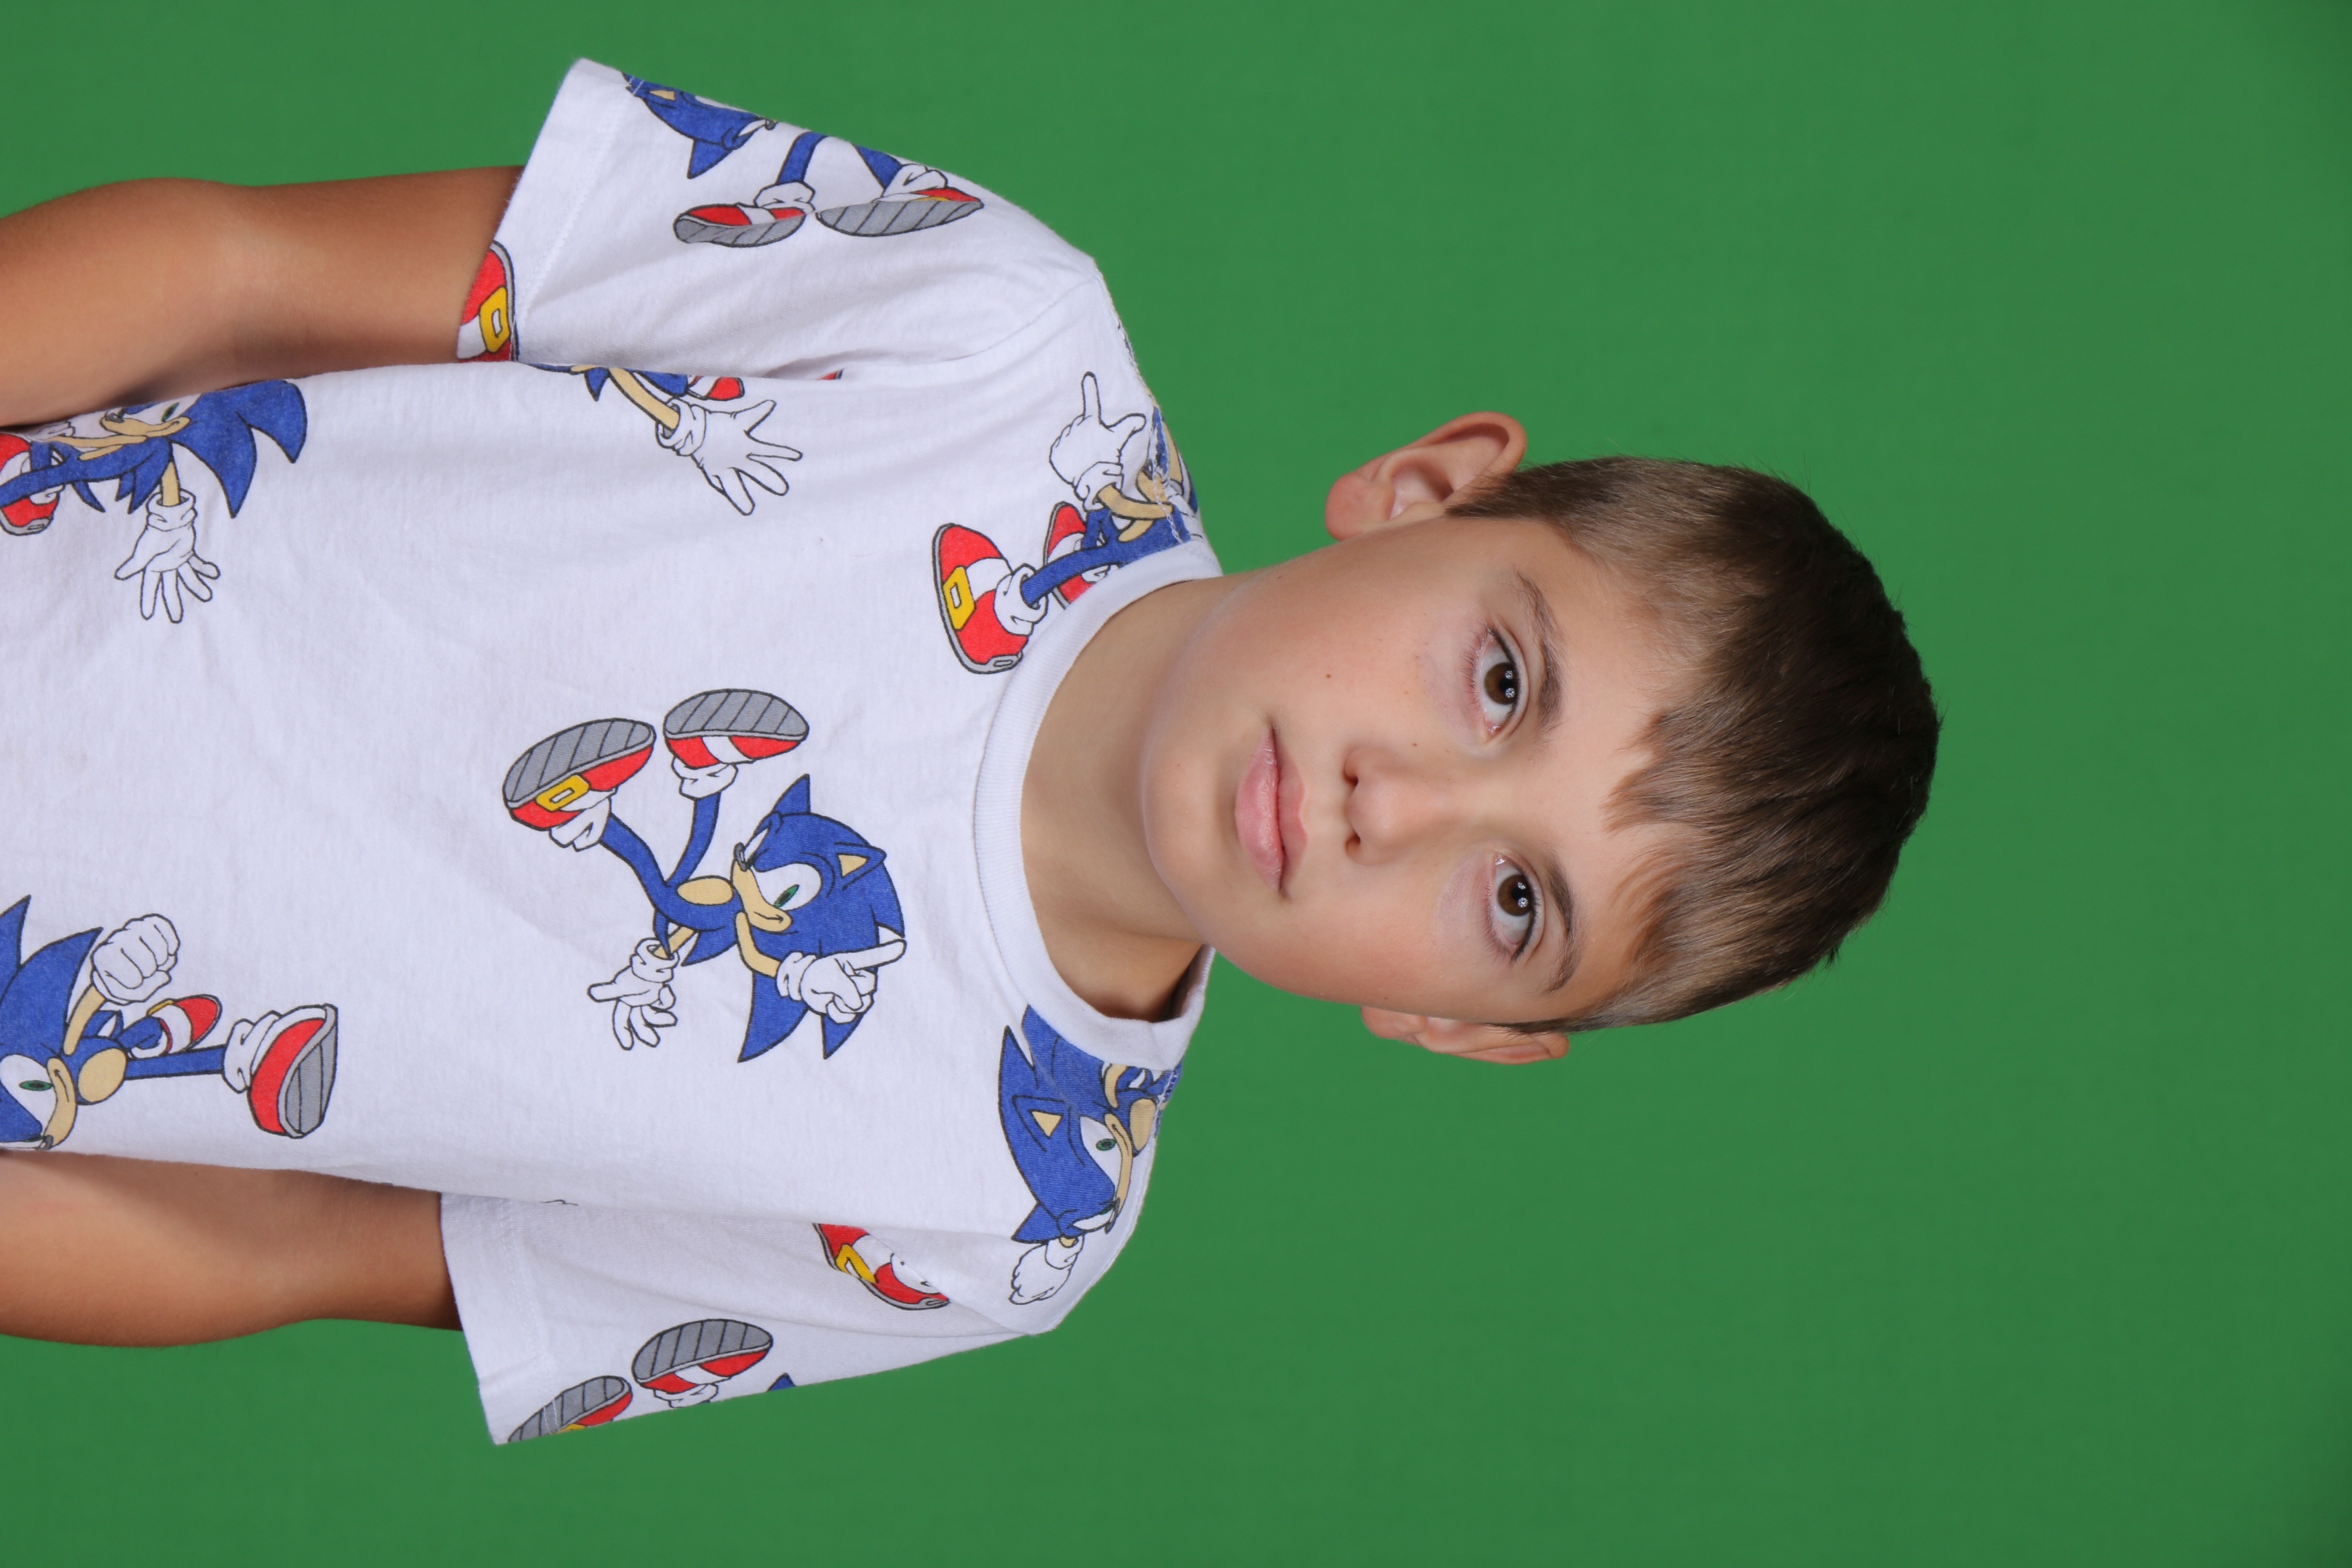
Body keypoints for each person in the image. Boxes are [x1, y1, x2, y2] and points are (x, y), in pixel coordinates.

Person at [0, 61, 1937, 1441]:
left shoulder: (1002, 1226)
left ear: (1457, 1025)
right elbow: (233, 268)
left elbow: (276, 1245)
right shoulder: (990, 329)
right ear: (1430, 491)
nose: (1398, 805)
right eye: (1501, 682)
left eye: (1516, 902)